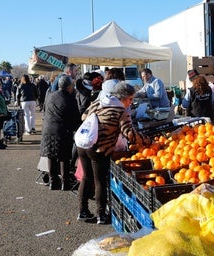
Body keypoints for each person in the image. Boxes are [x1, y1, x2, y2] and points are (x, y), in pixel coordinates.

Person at [77, 80, 152, 224]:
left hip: (83, 143)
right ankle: (101, 215)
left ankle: (82, 211)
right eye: (130, 99)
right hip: (100, 147)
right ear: (122, 97)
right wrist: (147, 140)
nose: (130, 103)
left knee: (87, 177)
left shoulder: (98, 102)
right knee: (100, 181)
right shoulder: (120, 111)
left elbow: (83, 117)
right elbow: (130, 134)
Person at [40, 76, 81, 190]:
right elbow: (75, 117)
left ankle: (53, 182)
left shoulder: (50, 96)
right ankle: (65, 183)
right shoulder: (70, 98)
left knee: (51, 155)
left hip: (48, 129)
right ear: (68, 87)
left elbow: (44, 110)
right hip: (62, 130)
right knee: (64, 157)